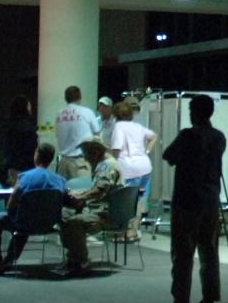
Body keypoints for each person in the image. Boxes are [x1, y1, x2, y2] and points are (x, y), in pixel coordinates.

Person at [162, 93, 226, 303]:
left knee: (183, 253)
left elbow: (168, 156)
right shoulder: (219, 137)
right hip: (211, 200)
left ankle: (180, 302)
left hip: (187, 200)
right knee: (209, 251)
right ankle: (209, 299)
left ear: (195, 112)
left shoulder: (187, 135)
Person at [0, 143, 64, 274]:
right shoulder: (59, 180)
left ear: (36, 155)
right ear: (50, 159)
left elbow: (11, 203)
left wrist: (12, 211)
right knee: (24, 220)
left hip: (25, 222)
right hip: (49, 224)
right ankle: (9, 260)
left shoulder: (25, 177)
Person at [56, 137, 123, 277]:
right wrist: (82, 195)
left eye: (85, 152)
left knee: (73, 222)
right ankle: (73, 258)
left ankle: (81, 261)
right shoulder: (103, 163)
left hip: (104, 213)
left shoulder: (106, 165)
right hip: (101, 209)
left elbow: (100, 189)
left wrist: (82, 196)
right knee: (64, 215)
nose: (84, 157)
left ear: (95, 151)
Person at [107, 97, 156, 233]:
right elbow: (153, 136)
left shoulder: (118, 127)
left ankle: (126, 232)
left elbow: (116, 151)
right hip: (145, 167)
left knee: (127, 200)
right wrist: (147, 150)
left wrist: (102, 149)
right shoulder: (137, 126)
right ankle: (134, 230)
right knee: (140, 199)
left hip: (129, 168)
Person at [53, 86, 101, 179]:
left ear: (65, 98)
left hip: (63, 162)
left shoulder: (59, 114)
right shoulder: (87, 112)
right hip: (80, 163)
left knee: (64, 192)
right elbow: (97, 135)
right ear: (80, 97)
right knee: (81, 192)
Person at [2, 95, 37, 186]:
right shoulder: (28, 127)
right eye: (29, 106)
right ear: (24, 108)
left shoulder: (8, 126)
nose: (30, 108)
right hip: (27, 167)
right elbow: (32, 147)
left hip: (13, 168)